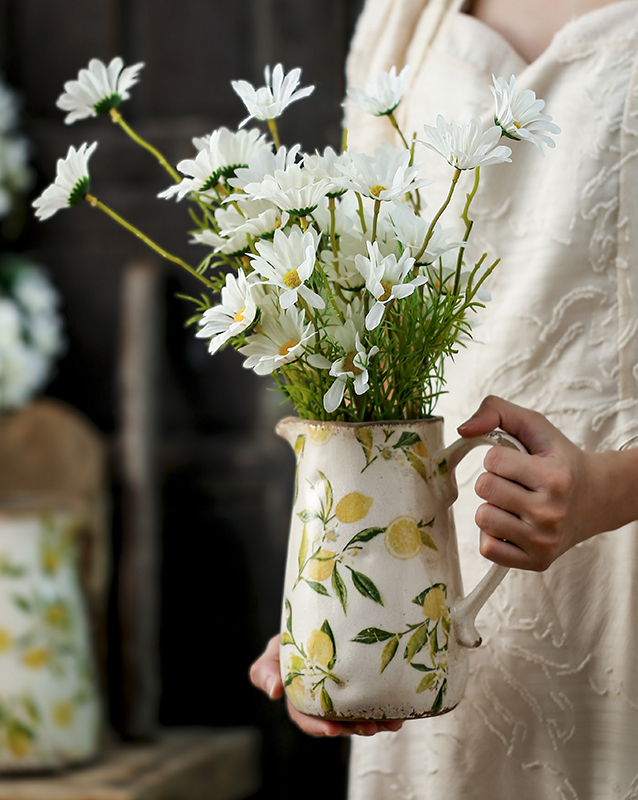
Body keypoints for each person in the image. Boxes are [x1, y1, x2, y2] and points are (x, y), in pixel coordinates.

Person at [250, 0, 638, 796]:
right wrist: (338, 608)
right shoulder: (400, 18)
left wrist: (607, 491)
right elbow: (363, 310)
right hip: (428, 588)